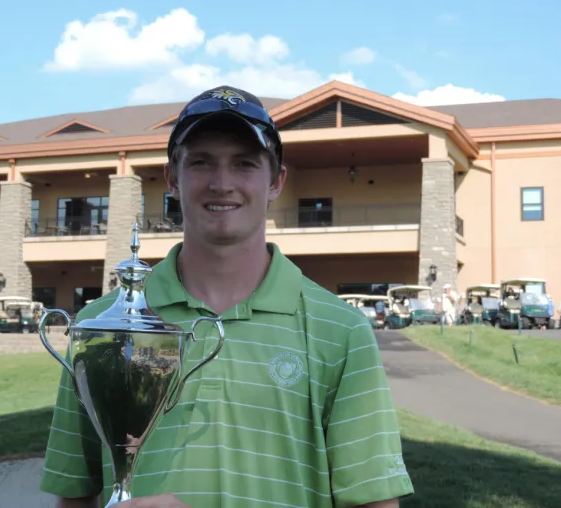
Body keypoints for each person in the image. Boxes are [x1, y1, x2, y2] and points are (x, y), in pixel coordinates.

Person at [40, 86, 414, 507]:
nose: (222, 183)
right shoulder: (101, 326)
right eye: (201, 162)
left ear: (276, 182)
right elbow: (75, 493)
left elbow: (374, 503)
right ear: (172, 180)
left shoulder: (341, 331)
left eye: (244, 164)